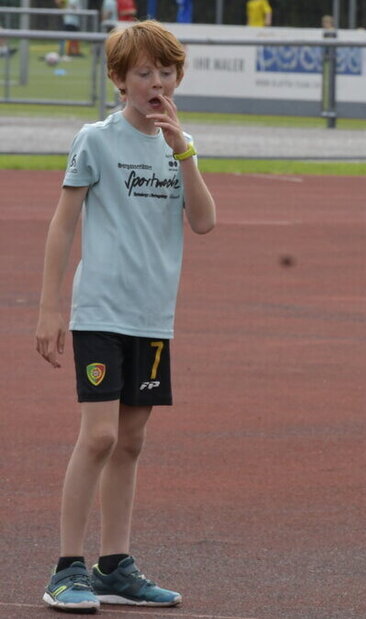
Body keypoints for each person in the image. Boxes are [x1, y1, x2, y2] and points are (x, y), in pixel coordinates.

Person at [35, 19, 216, 614]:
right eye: (144, 73)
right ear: (119, 79)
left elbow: (204, 221)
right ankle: (67, 567)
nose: (157, 83)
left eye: (166, 72)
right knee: (100, 435)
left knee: (131, 441)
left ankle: (114, 566)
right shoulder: (96, 139)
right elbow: (63, 225)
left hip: (152, 316)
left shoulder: (179, 145)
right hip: (100, 310)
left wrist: (184, 152)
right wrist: (50, 307)